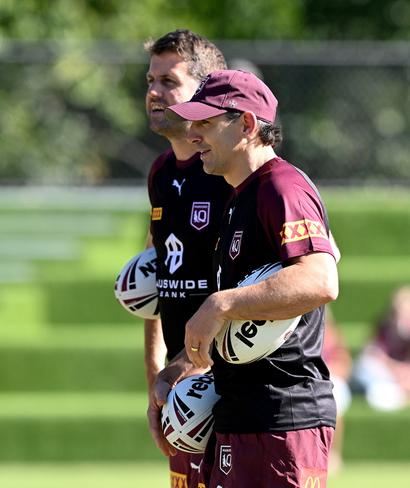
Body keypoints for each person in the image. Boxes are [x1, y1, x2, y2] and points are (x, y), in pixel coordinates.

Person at [168, 69, 340, 487]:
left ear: (246, 124)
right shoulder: (240, 195)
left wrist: (220, 303)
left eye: (205, 124)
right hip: (241, 414)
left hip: (282, 418)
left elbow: (320, 281)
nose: (193, 135)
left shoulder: (281, 187)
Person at [143, 30, 232, 488]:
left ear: (204, 91)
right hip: (184, 391)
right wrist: (156, 385)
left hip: (235, 387)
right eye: (150, 80)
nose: (154, 92)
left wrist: (186, 367)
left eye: (169, 81)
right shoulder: (160, 173)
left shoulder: (230, 170)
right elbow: (158, 284)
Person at [352, 285, 410, 411]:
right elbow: (374, 357)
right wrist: (396, 369)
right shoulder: (384, 330)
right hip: (384, 374)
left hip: (400, 376)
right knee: (369, 369)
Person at [322, 307, 352, 472]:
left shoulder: (333, 337)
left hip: (330, 381)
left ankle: (333, 453)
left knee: (335, 397)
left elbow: (345, 364)